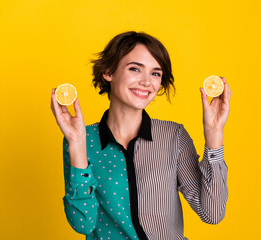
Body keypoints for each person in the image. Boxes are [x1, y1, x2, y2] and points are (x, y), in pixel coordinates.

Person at [50, 31, 231, 240]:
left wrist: (214, 134)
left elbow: (213, 213)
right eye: (135, 69)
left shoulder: (173, 136)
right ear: (109, 72)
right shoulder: (83, 139)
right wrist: (76, 144)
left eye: (155, 73)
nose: (146, 82)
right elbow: (83, 223)